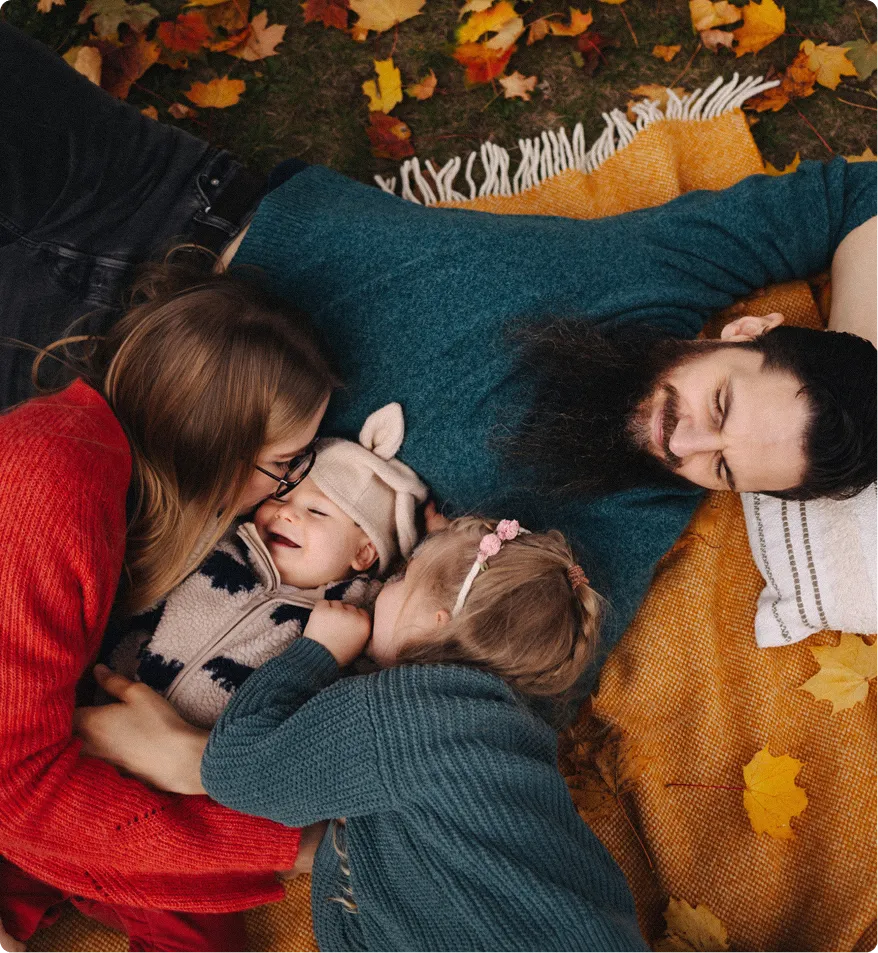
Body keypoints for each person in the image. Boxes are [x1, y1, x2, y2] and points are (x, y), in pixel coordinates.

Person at [3, 23, 878, 656]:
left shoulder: (613, 528)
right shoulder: (672, 267)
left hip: (103, 401)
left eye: (722, 466)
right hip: (169, 201)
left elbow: (506, 677)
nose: (681, 440)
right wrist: (860, 371)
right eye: (720, 403)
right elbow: (856, 196)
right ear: (746, 331)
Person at [77, 517, 651, 953]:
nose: (382, 588)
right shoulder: (515, 737)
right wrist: (444, 562)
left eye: (401, 578)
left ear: (436, 623)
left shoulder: (407, 711)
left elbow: (235, 770)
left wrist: (316, 652)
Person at [0, 264, 341, 952]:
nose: (285, 489)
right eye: (285, 464)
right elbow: (17, 789)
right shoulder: (49, 484)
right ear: (212, 444)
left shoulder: (110, 478)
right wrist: (292, 843)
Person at [107, 401, 428, 730]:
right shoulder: (218, 546)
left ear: (364, 553)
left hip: (211, 751)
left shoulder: (360, 621)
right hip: (108, 701)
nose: (286, 512)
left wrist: (434, 549)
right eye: (279, 497)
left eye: (316, 511)